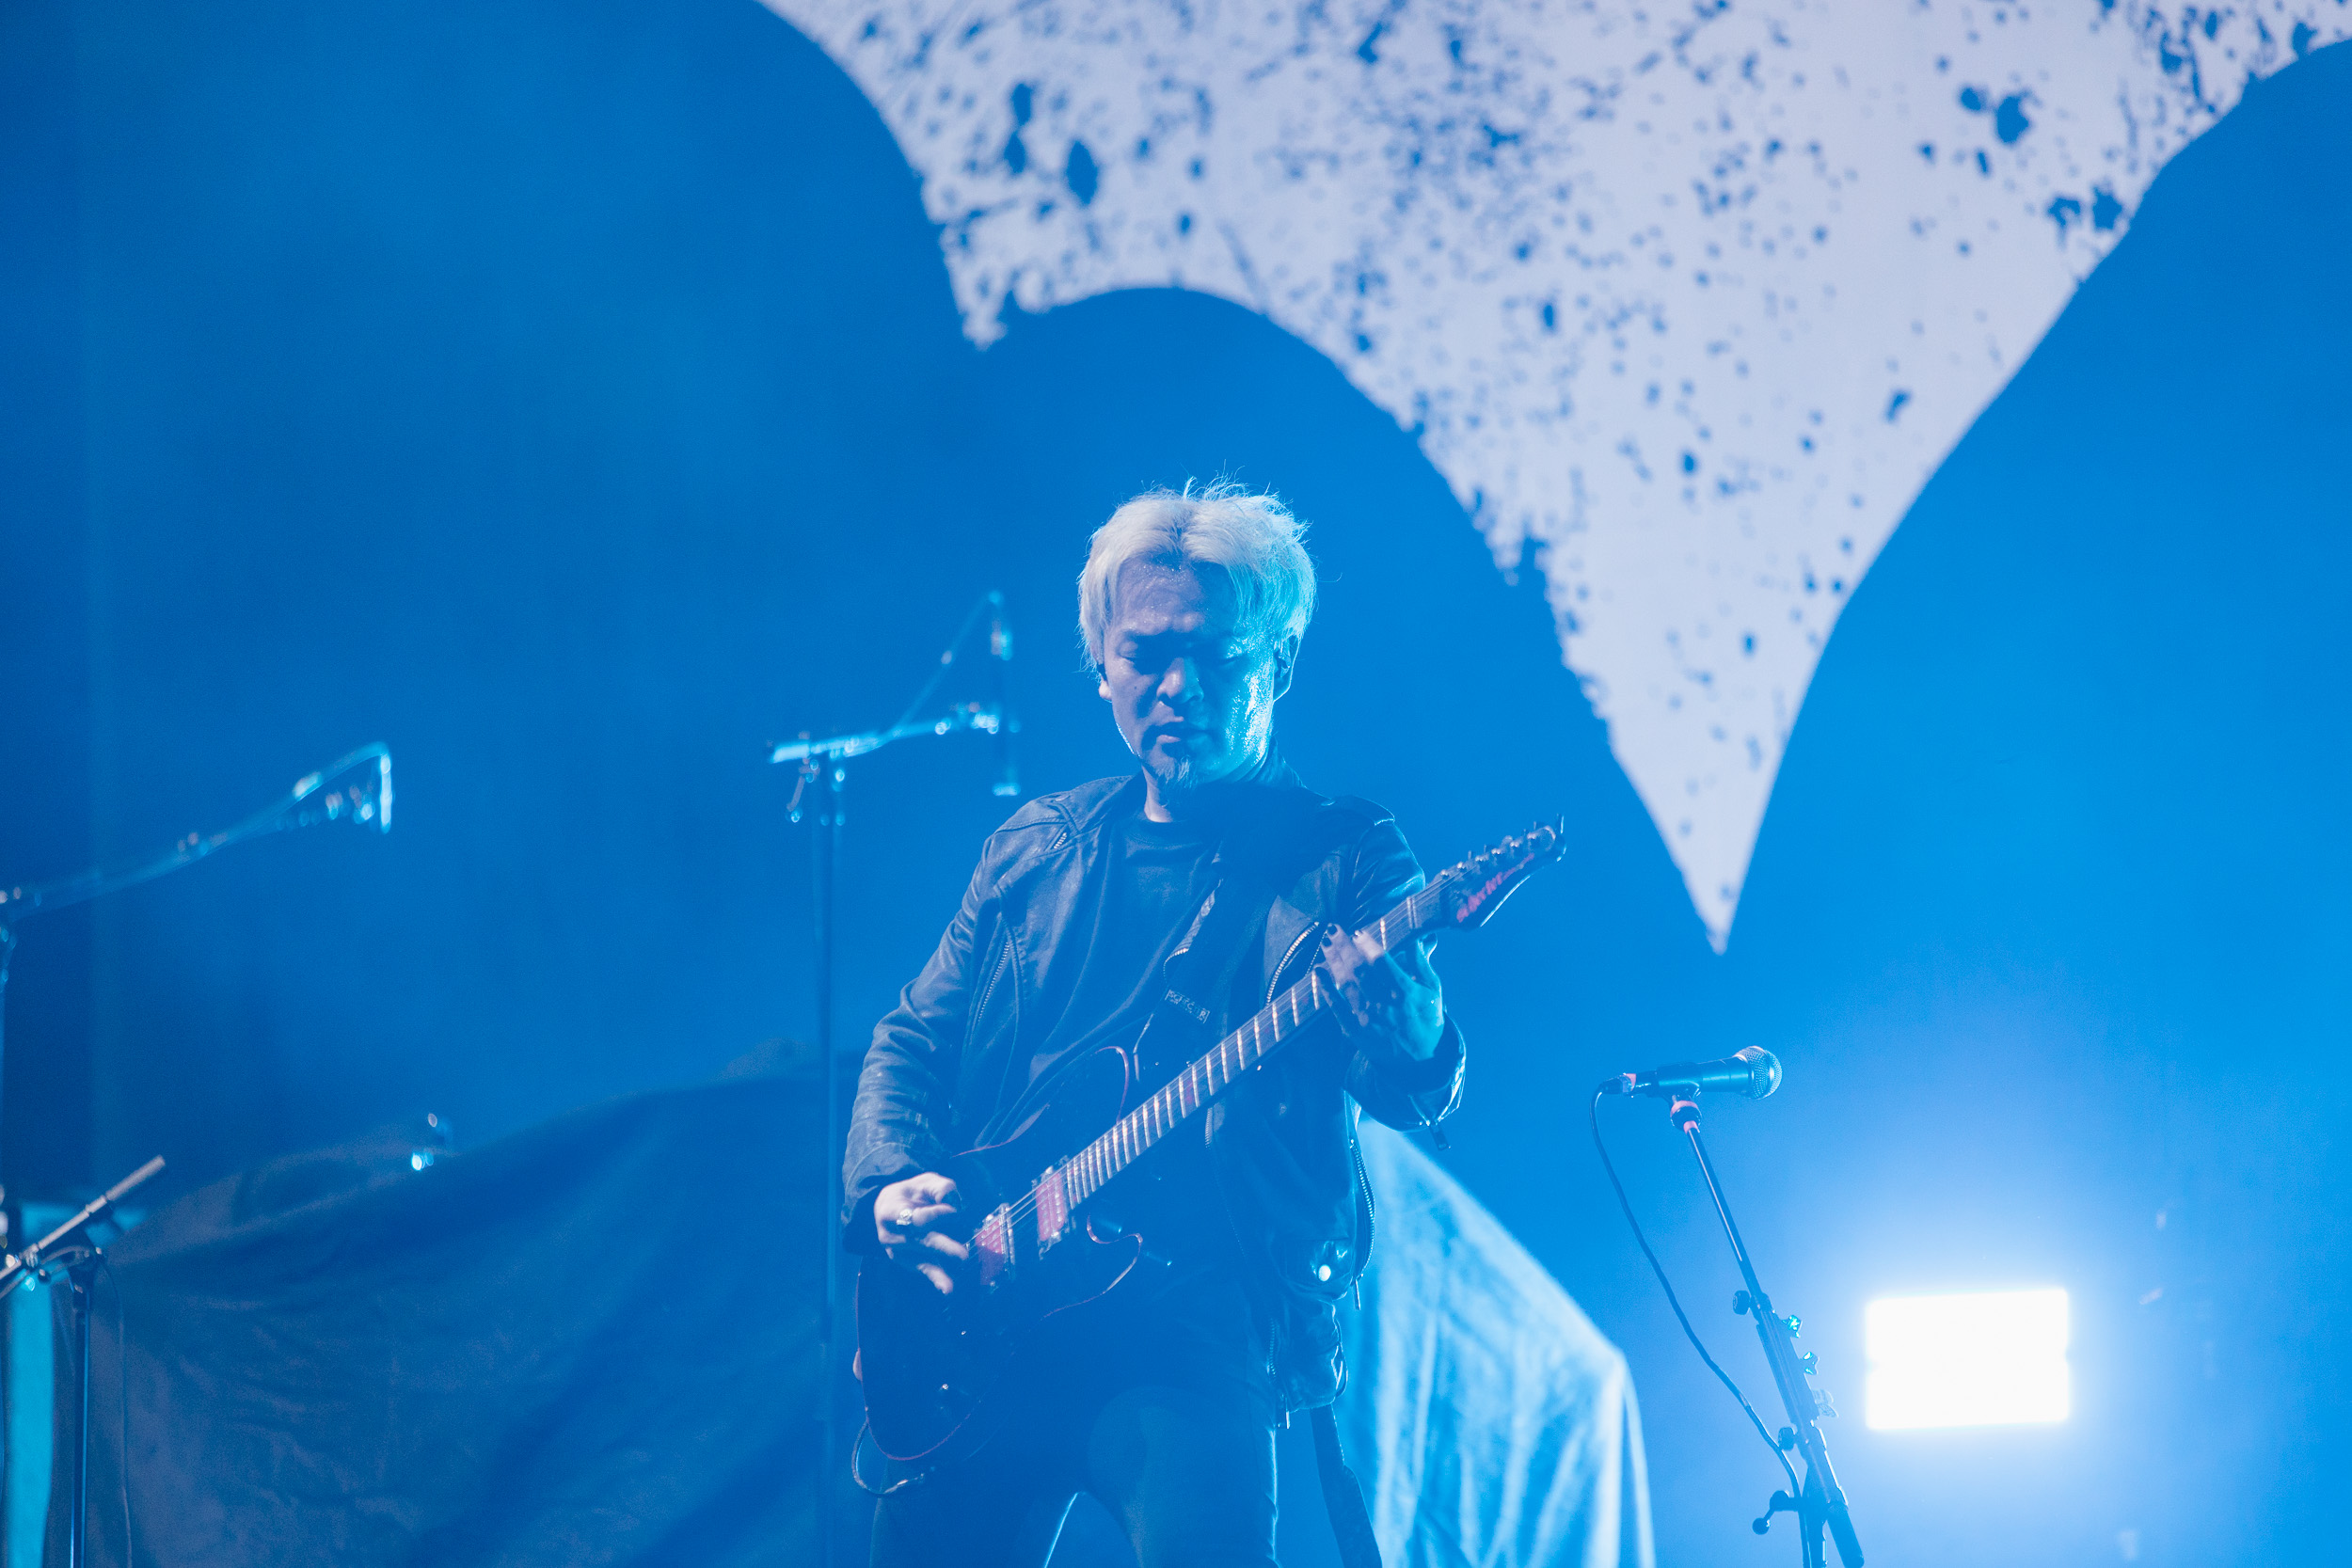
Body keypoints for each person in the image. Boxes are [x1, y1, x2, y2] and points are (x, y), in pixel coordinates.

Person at [845, 483, 1466, 1568]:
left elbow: (1408, 1084)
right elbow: (911, 1039)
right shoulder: (1033, 847)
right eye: (1146, 652)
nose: (1180, 685)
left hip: (1194, 1336)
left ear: (1276, 662)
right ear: (1101, 662)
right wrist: (889, 1183)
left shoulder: (1343, 854)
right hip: (989, 1316)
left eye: (1220, 655)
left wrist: (1410, 1032)